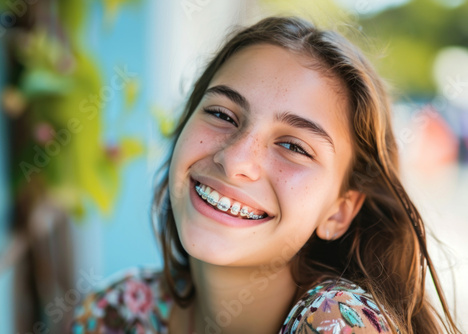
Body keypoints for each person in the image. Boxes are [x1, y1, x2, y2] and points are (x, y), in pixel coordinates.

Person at [69, 16, 461, 334]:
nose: (237, 159)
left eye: (293, 146)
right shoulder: (111, 312)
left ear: (339, 211)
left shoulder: (337, 323)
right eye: (222, 115)